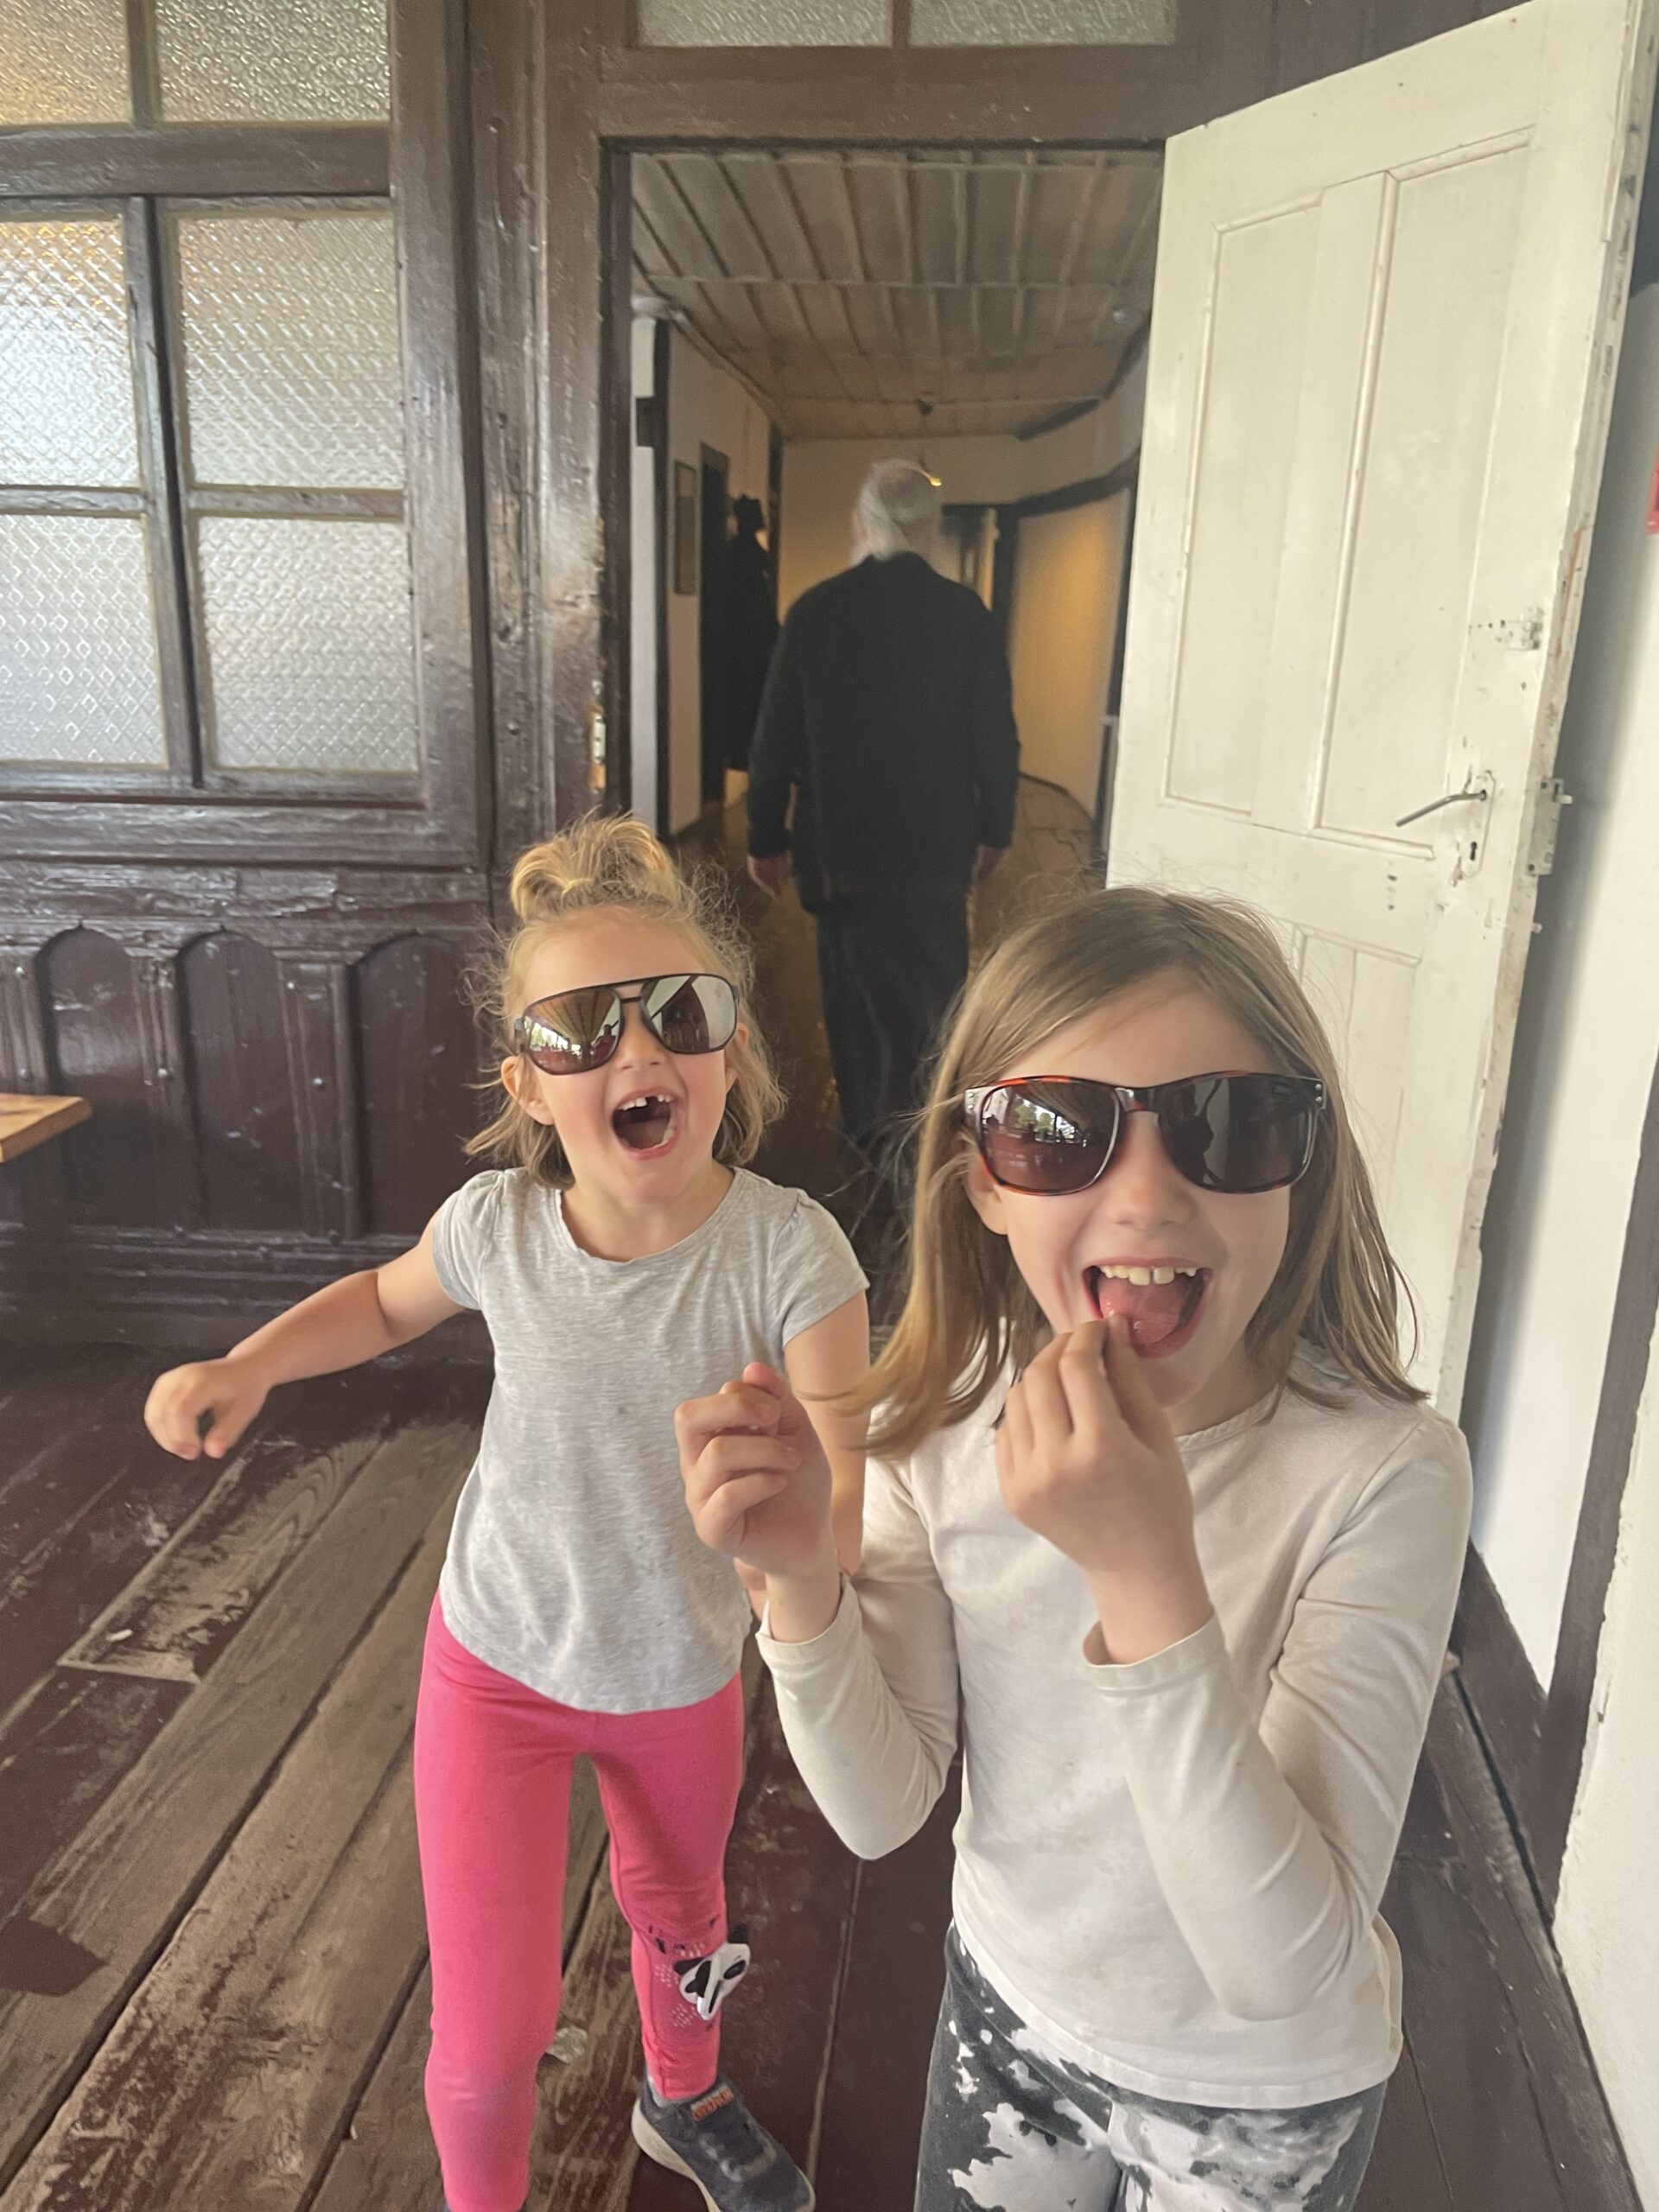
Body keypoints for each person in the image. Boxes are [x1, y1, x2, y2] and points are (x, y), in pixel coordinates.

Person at [675, 886, 1473, 2212]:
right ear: (984, 1183)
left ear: (1304, 1167)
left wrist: (1144, 1576)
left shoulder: (1385, 1474)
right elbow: (882, 1808)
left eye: (1232, 1125)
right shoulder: (941, 1423)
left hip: (1263, 2097)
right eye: (1059, 1133)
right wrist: (804, 1587)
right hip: (1011, 2014)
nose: (1147, 1196)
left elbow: (1283, 1967)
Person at [143, 816, 869, 2212]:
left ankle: (685, 2093)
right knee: (488, 2041)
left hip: (682, 1669)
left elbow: (849, 1477)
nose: (637, 1050)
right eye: (582, 1029)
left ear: (730, 1052)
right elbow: (379, 1303)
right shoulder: (498, 1227)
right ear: (530, 1085)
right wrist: (252, 1364)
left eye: (678, 1013)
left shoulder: (792, 1255)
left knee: (684, 1917)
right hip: (498, 1668)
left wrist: (809, 1529)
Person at [747, 460, 1020, 1195]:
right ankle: (927, 1137)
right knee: (937, 996)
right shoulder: (966, 617)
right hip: (934, 853)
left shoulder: (816, 612)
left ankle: (870, 1134)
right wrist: (996, 827)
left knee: (854, 1001)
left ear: (862, 524)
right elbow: (995, 736)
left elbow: (774, 736)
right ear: (930, 532)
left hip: (843, 853)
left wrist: (765, 836)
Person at [722, 494, 780, 777]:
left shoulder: (744, 554)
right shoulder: (748, 556)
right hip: (750, 643)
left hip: (750, 641)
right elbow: (758, 605)